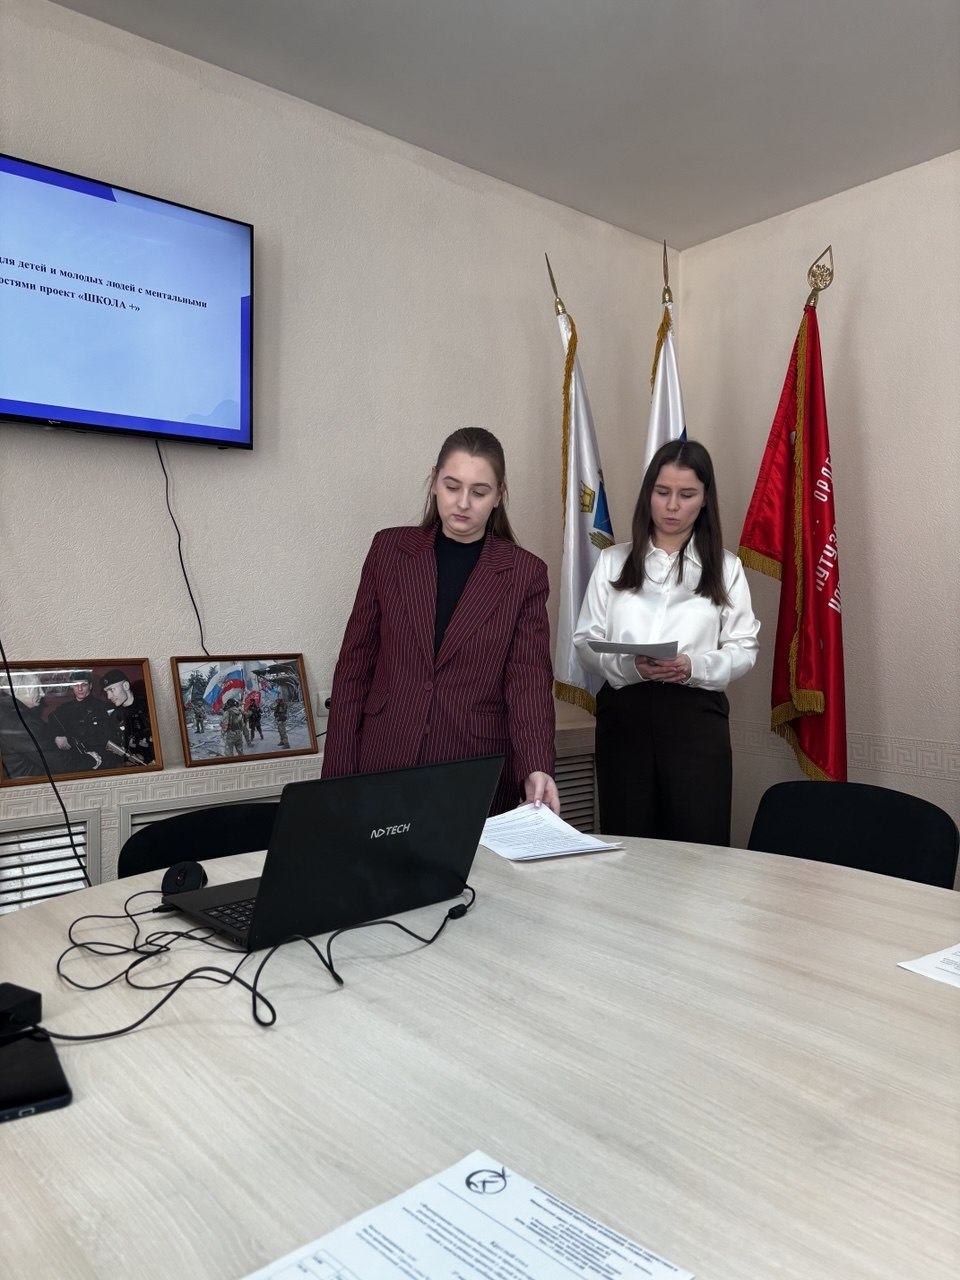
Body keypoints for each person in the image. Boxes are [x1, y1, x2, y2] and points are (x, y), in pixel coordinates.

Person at [322, 427, 558, 815]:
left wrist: (536, 766)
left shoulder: (524, 573)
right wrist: (336, 780)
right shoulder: (388, 551)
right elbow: (354, 668)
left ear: (499, 495)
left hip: (472, 769)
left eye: (479, 492)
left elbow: (528, 680)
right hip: (384, 759)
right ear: (434, 482)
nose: (463, 503)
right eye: (452, 486)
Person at [573, 439, 759, 845]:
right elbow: (585, 642)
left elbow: (744, 648)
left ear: (705, 499)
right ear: (648, 495)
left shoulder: (726, 568)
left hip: (695, 719)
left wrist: (694, 666)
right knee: (629, 843)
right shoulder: (613, 561)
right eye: (662, 492)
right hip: (624, 716)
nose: (672, 506)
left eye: (686, 494)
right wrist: (632, 667)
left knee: (698, 846)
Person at [50, 671, 110, 769]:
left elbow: (106, 737)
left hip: (99, 760)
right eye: (76, 685)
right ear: (71, 686)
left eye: (84, 685)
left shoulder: (101, 708)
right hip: (74, 761)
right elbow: (51, 722)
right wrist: (57, 736)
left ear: (90, 686)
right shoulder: (64, 709)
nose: (80, 689)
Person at [100, 669, 155, 766]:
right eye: (106, 692)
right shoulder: (114, 717)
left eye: (111, 690)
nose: (109, 696)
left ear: (126, 686)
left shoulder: (150, 706)